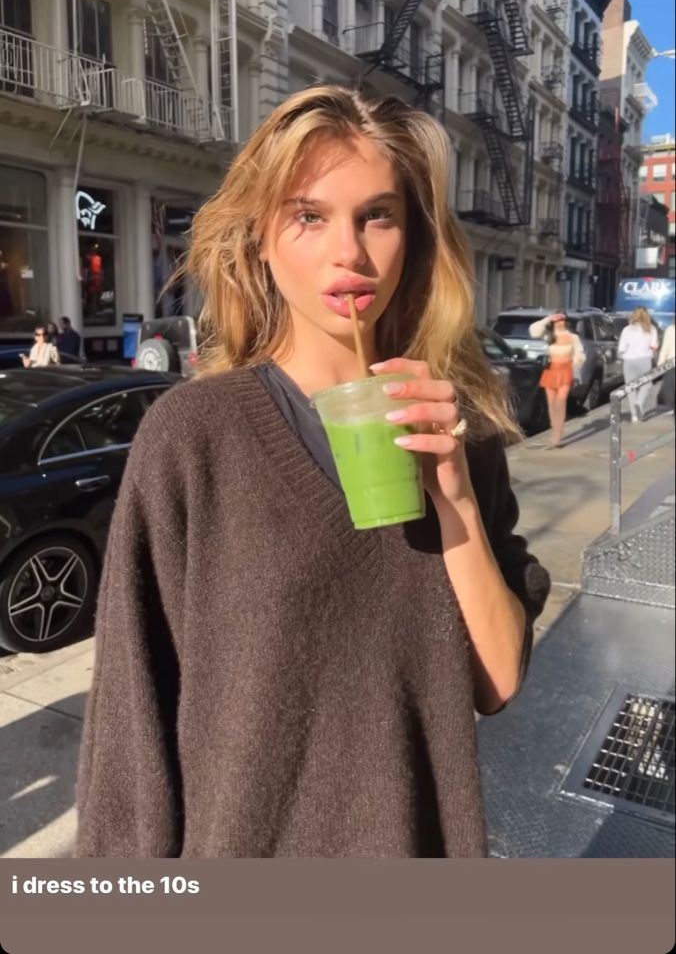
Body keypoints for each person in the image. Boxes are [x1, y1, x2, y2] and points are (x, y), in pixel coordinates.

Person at [76, 86, 550, 859]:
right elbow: (132, 722)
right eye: (310, 216)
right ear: (260, 237)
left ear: (415, 238)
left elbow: (495, 684)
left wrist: (455, 497)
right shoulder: (195, 437)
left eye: (378, 216)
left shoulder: (457, 433)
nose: (350, 253)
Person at [528, 312, 585, 449]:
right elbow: (533, 331)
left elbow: (580, 355)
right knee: (552, 404)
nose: (560, 323)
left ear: (565, 322)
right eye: (557, 321)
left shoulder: (573, 337)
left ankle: (557, 437)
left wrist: (576, 370)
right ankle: (554, 432)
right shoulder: (550, 336)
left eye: (562, 321)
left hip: (566, 371)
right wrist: (548, 318)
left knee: (560, 402)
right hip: (551, 371)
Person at [617, 306, 660, 422]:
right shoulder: (651, 329)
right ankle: (639, 403)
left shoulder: (627, 330)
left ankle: (634, 416)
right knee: (646, 384)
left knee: (631, 388)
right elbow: (654, 346)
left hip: (629, 361)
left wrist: (624, 355)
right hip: (645, 360)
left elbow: (621, 348)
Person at [657, 321, 675, 414]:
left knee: (670, 386)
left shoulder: (670, 330)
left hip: (671, 362)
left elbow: (665, 348)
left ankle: (670, 407)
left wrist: (660, 363)